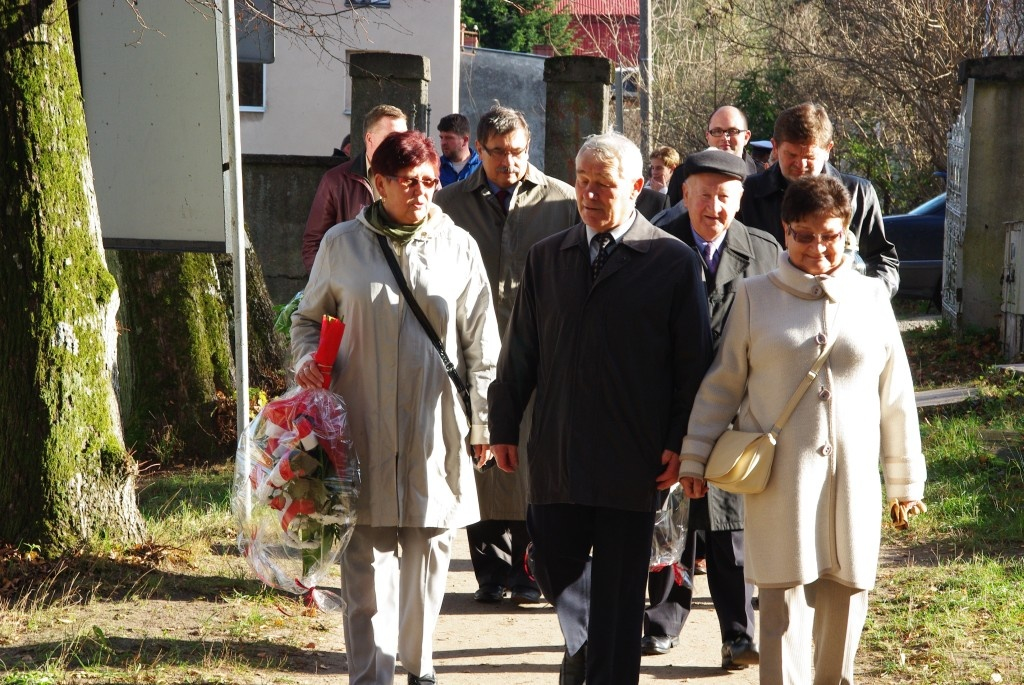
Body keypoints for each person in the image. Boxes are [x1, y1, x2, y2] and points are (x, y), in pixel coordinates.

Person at [678, 174, 927, 684]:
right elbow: (722, 385)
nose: (817, 247)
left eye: (830, 235)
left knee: (846, 598)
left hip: (853, 481)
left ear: (848, 233)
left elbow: (896, 396)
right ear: (786, 232)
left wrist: (905, 483)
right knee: (782, 608)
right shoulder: (754, 297)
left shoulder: (871, 298)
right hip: (780, 483)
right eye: (804, 235)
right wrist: (694, 457)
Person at [488, 132, 713, 685]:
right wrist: (504, 425)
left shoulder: (670, 260)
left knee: (618, 588)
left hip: (633, 455)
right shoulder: (548, 257)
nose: (589, 194)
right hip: (558, 448)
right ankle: (585, 646)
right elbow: (520, 352)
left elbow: (694, 364)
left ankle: (606, 669)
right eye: (582, 181)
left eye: (604, 185)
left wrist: (681, 440)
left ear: (636, 188)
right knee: (556, 570)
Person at [292, 130, 501, 685]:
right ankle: (372, 676)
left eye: (431, 181)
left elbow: (483, 345)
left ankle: (419, 667)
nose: (422, 192)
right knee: (365, 568)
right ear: (377, 183)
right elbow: (308, 319)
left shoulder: (459, 246)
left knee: (429, 559)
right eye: (408, 182)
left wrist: (483, 420)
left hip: (436, 430)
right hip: (361, 427)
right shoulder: (342, 245)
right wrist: (308, 360)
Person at [434, 104, 577, 606]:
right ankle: (489, 571)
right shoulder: (448, 203)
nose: (509, 163)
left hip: (541, 346)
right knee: (482, 453)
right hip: (472, 346)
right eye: (498, 153)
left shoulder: (562, 200)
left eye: (517, 152)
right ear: (480, 150)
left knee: (533, 456)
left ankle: (529, 567)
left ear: (528, 147)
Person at [645, 149, 779, 669]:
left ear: (740, 200)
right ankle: (660, 624)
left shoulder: (764, 252)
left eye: (726, 198)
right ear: (686, 195)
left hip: (736, 413)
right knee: (671, 521)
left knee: (730, 530)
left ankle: (738, 634)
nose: (715, 208)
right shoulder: (657, 244)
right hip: (670, 406)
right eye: (705, 196)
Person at [738, 102, 900, 297]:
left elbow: (882, 261)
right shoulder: (747, 194)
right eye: (791, 154)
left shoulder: (858, 193)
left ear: (828, 149)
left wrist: (868, 298)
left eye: (809, 156)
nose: (800, 164)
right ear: (774, 146)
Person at [302, 104, 408, 272]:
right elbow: (314, 242)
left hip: (403, 286)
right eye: (392, 138)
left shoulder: (422, 180)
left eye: (404, 137)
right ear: (370, 139)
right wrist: (330, 285)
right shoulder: (336, 180)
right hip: (352, 287)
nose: (400, 145)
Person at [666, 105, 757, 206]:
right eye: (717, 131)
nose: (725, 138)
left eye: (732, 131)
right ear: (707, 136)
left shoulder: (762, 177)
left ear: (746, 137)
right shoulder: (683, 175)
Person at [437, 113, 482, 187]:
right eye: (441, 138)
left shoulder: (482, 167)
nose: (443, 143)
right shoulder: (436, 167)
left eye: (449, 138)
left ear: (464, 140)